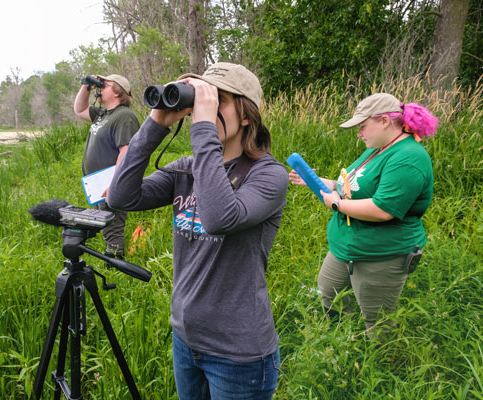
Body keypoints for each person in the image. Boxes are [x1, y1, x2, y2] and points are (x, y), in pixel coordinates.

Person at [108, 63, 288, 399]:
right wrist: (155, 125)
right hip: (186, 339)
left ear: (246, 115)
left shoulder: (268, 175)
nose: (204, 109)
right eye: (203, 100)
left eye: (218, 100)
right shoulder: (187, 168)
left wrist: (203, 129)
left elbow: (221, 217)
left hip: (238, 353)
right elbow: (121, 197)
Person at [290, 93, 438, 338]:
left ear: (384, 121)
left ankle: (380, 362)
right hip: (346, 246)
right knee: (329, 294)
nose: (359, 133)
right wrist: (316, 182)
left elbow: (383, 210)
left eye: (362, 126)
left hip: (380, 254)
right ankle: (343, 343)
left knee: (378, 321)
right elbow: (353, 187)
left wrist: (336, 204)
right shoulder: (378, 148)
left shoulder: (409, 157)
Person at [74, 74, 140, 259]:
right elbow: (80, 110)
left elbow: (126, 152)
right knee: (103, 223)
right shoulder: (103, 114)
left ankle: (115, 266)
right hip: (96, 183)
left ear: (118, 92)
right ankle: (111, 261)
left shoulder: (124, 116)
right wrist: (86, 86)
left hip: (109, 183)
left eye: (106, 84)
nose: (100, 87)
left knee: (112, 226)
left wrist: (115, 184)